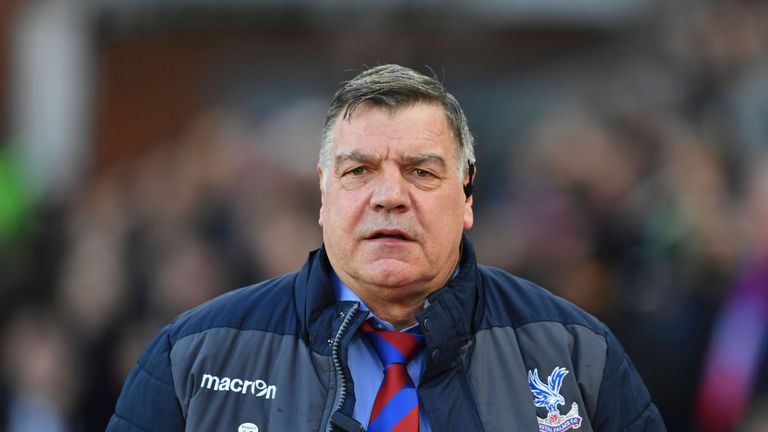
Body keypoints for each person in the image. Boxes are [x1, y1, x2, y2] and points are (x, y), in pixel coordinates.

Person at [107, 64, 666, 431]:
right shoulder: (192, 356)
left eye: (422, 172)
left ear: (467, 194)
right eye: (360, 171)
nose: (389, 197)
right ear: (324, 192)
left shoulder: (576, 354)